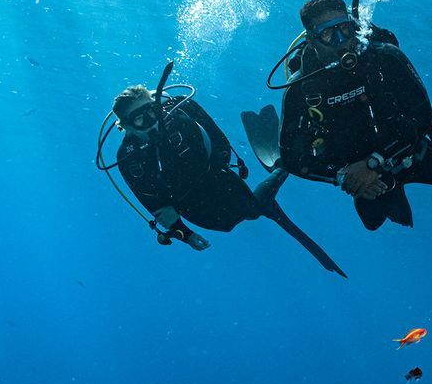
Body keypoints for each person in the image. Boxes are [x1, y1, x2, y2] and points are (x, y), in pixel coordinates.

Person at [255, 0, 432, 230]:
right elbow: (292, 157)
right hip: (353, 169)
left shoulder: (386, 57)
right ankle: (389, 187)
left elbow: (421, 120)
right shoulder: (301, 88)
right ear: (312, 39)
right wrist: (341, 175)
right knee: (372, 222)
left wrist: (374, 162)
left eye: (345, 29)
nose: (340, 40)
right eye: (328, 34)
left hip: (405, 149)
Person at [111, 83, 346, 276]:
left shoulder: (180, 109)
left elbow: (219, 141)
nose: (151, 121)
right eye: (140, 120)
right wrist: (186, 235)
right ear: (126, 127)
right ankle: (278, 173)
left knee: (255, 210)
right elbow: (155, 207)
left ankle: (283, 166)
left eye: (152, 111)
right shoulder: (130, 158)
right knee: (227, 225)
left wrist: (224, 170)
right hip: (191, 205)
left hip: (218, 179)